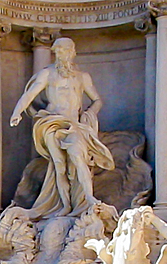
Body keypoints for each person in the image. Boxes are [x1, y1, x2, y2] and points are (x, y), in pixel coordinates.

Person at [9, 37, 115, 220]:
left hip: (74, 124)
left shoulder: (83, 77)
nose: (60, 55)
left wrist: (88, 114)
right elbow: (30, 94)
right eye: (57, 52)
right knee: (59, 165)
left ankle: (89, 198)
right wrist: (17, 112)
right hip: (51, 122)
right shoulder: (47, 74)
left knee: (78, 157)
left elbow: (97, 100)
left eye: (64, 51)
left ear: (72, 52)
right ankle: (65, 204)